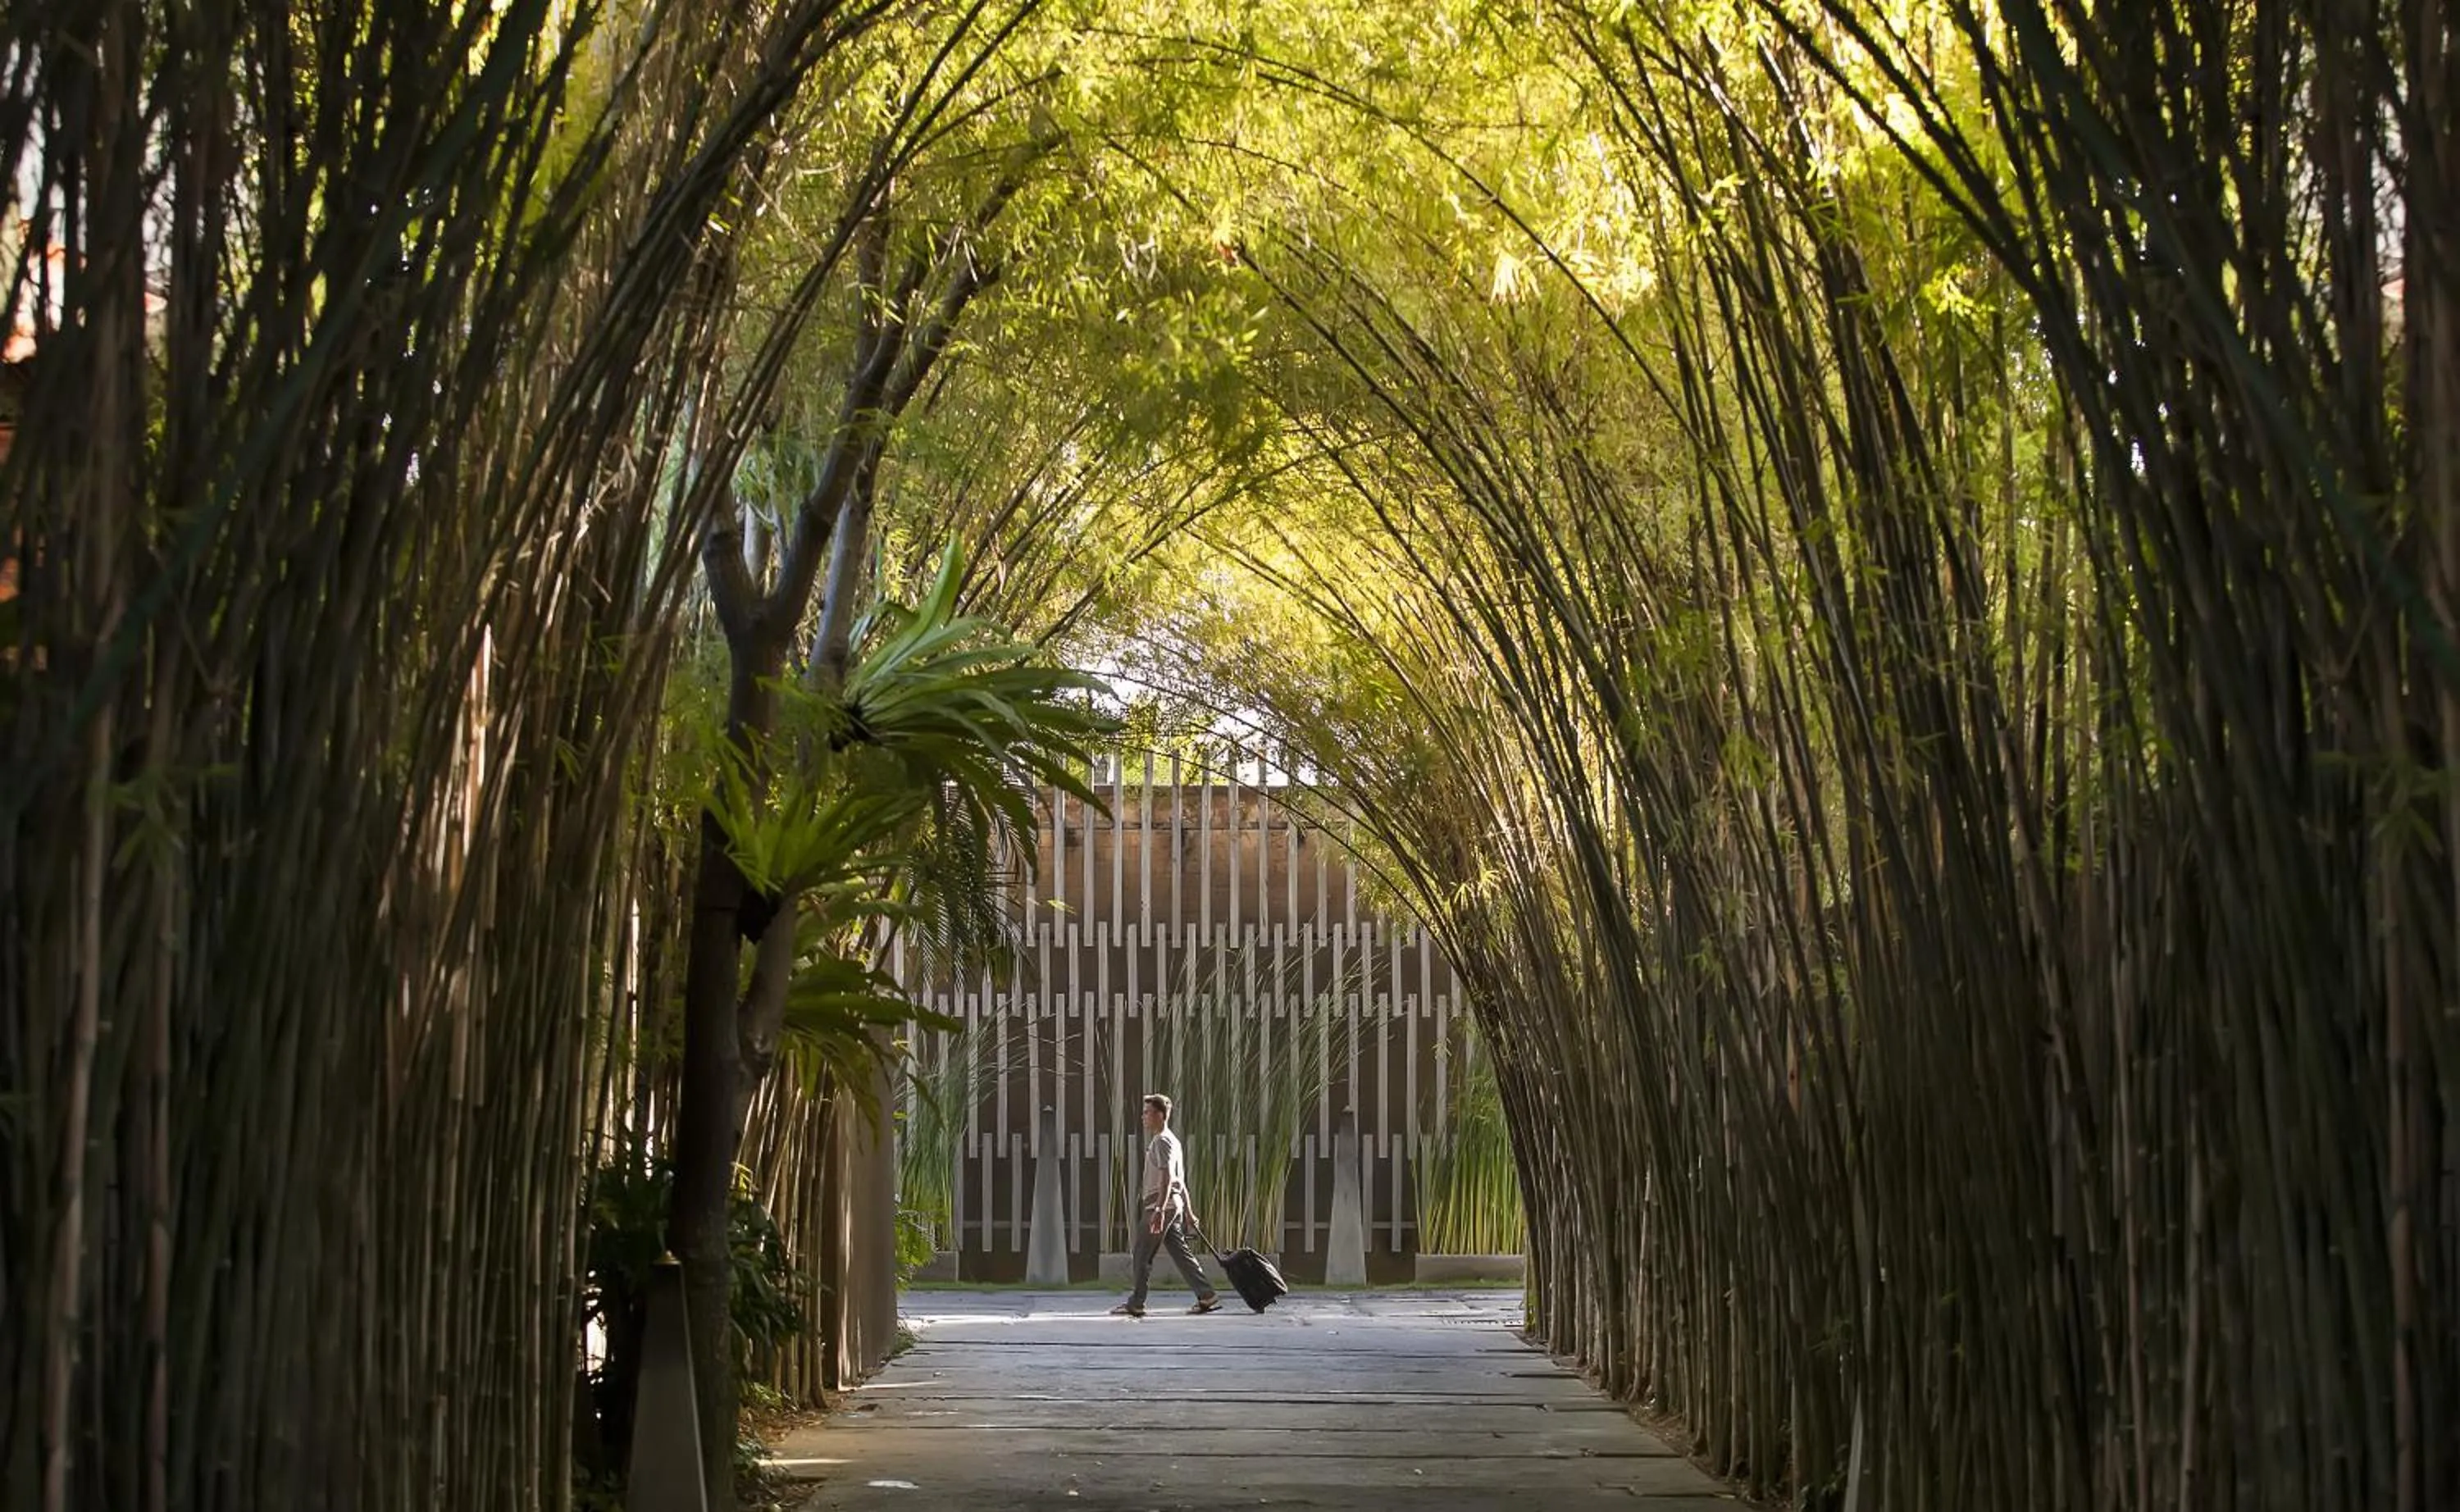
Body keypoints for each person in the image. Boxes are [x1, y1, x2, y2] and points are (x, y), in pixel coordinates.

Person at [1111, 1092, 1222, 1318]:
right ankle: (1206, 1294)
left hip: (1161, 1206)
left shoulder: (1162, 1141)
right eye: (1143, 1113)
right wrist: (1188, 1211)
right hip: (1175, 1204)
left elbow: (1168, 1177)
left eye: (1147, 1113)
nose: (1143, 1117)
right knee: (1180, 1252)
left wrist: (1159, 1210)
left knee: (1142, 1253)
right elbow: (1180, 1182)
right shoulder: (1173, 1141)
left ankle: (1137, 1303)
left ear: (1161, 1115)